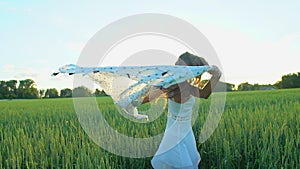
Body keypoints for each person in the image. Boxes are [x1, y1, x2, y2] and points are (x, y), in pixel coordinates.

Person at [141, 52, 222, 169]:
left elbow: (205, 94)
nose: (175, 66)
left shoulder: (184, 86)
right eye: (176, 64)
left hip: (185, 131)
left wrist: (213, 73)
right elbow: (146, 99)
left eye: (178, 64)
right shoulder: (174, 85)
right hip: (176, 133)